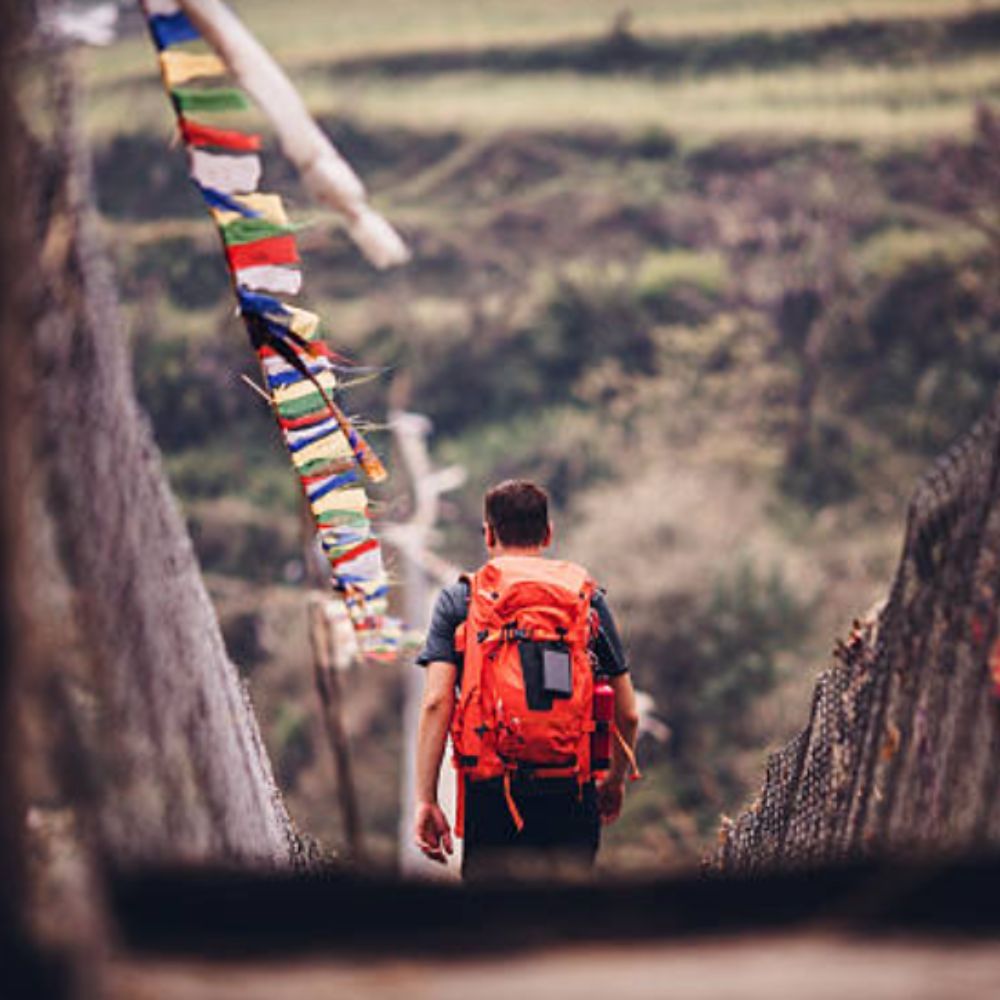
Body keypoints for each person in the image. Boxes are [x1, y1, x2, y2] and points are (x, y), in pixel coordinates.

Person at [413, 479, 639, 880]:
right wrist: (615, 781)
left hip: (492, 793)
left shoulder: (460, 599)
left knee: (491, 928)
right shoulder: (586, 598)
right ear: (548, 534)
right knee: (569, 924)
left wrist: (426, 800)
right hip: (572, 789)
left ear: (489, 534)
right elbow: (629, 713)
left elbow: (435, 702)